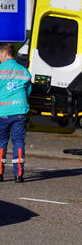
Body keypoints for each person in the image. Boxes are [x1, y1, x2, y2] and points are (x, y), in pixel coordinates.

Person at [0, 42, 32, 182]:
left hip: (3, 112)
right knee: (18, 142)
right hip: (20, 112)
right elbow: (28, 91)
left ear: (4, 53)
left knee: (1, 142)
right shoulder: (24, 71)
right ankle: (18, 175)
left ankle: (0, 173)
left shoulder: (1, 70)